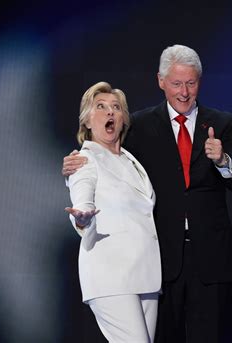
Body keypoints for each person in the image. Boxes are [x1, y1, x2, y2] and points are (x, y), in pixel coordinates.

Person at [62, 45, 232, 342]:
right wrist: (73, 169)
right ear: (161, 81)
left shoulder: (222, 123)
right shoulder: (140, 125)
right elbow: (99, 162)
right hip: (161, 259)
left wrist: (222, 161)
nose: (184, 92)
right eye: (176, 83)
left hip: (208, 258)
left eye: (191, 83)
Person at [65, 81, 162, 342]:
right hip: (112, 276)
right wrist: (83, 217)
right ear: (86, 121)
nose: (110, 112)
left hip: (145, 274)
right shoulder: (84, 160)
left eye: (116, 108)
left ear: (123, 120)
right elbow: (82, 194)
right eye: (101, 107)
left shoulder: (131, 162)